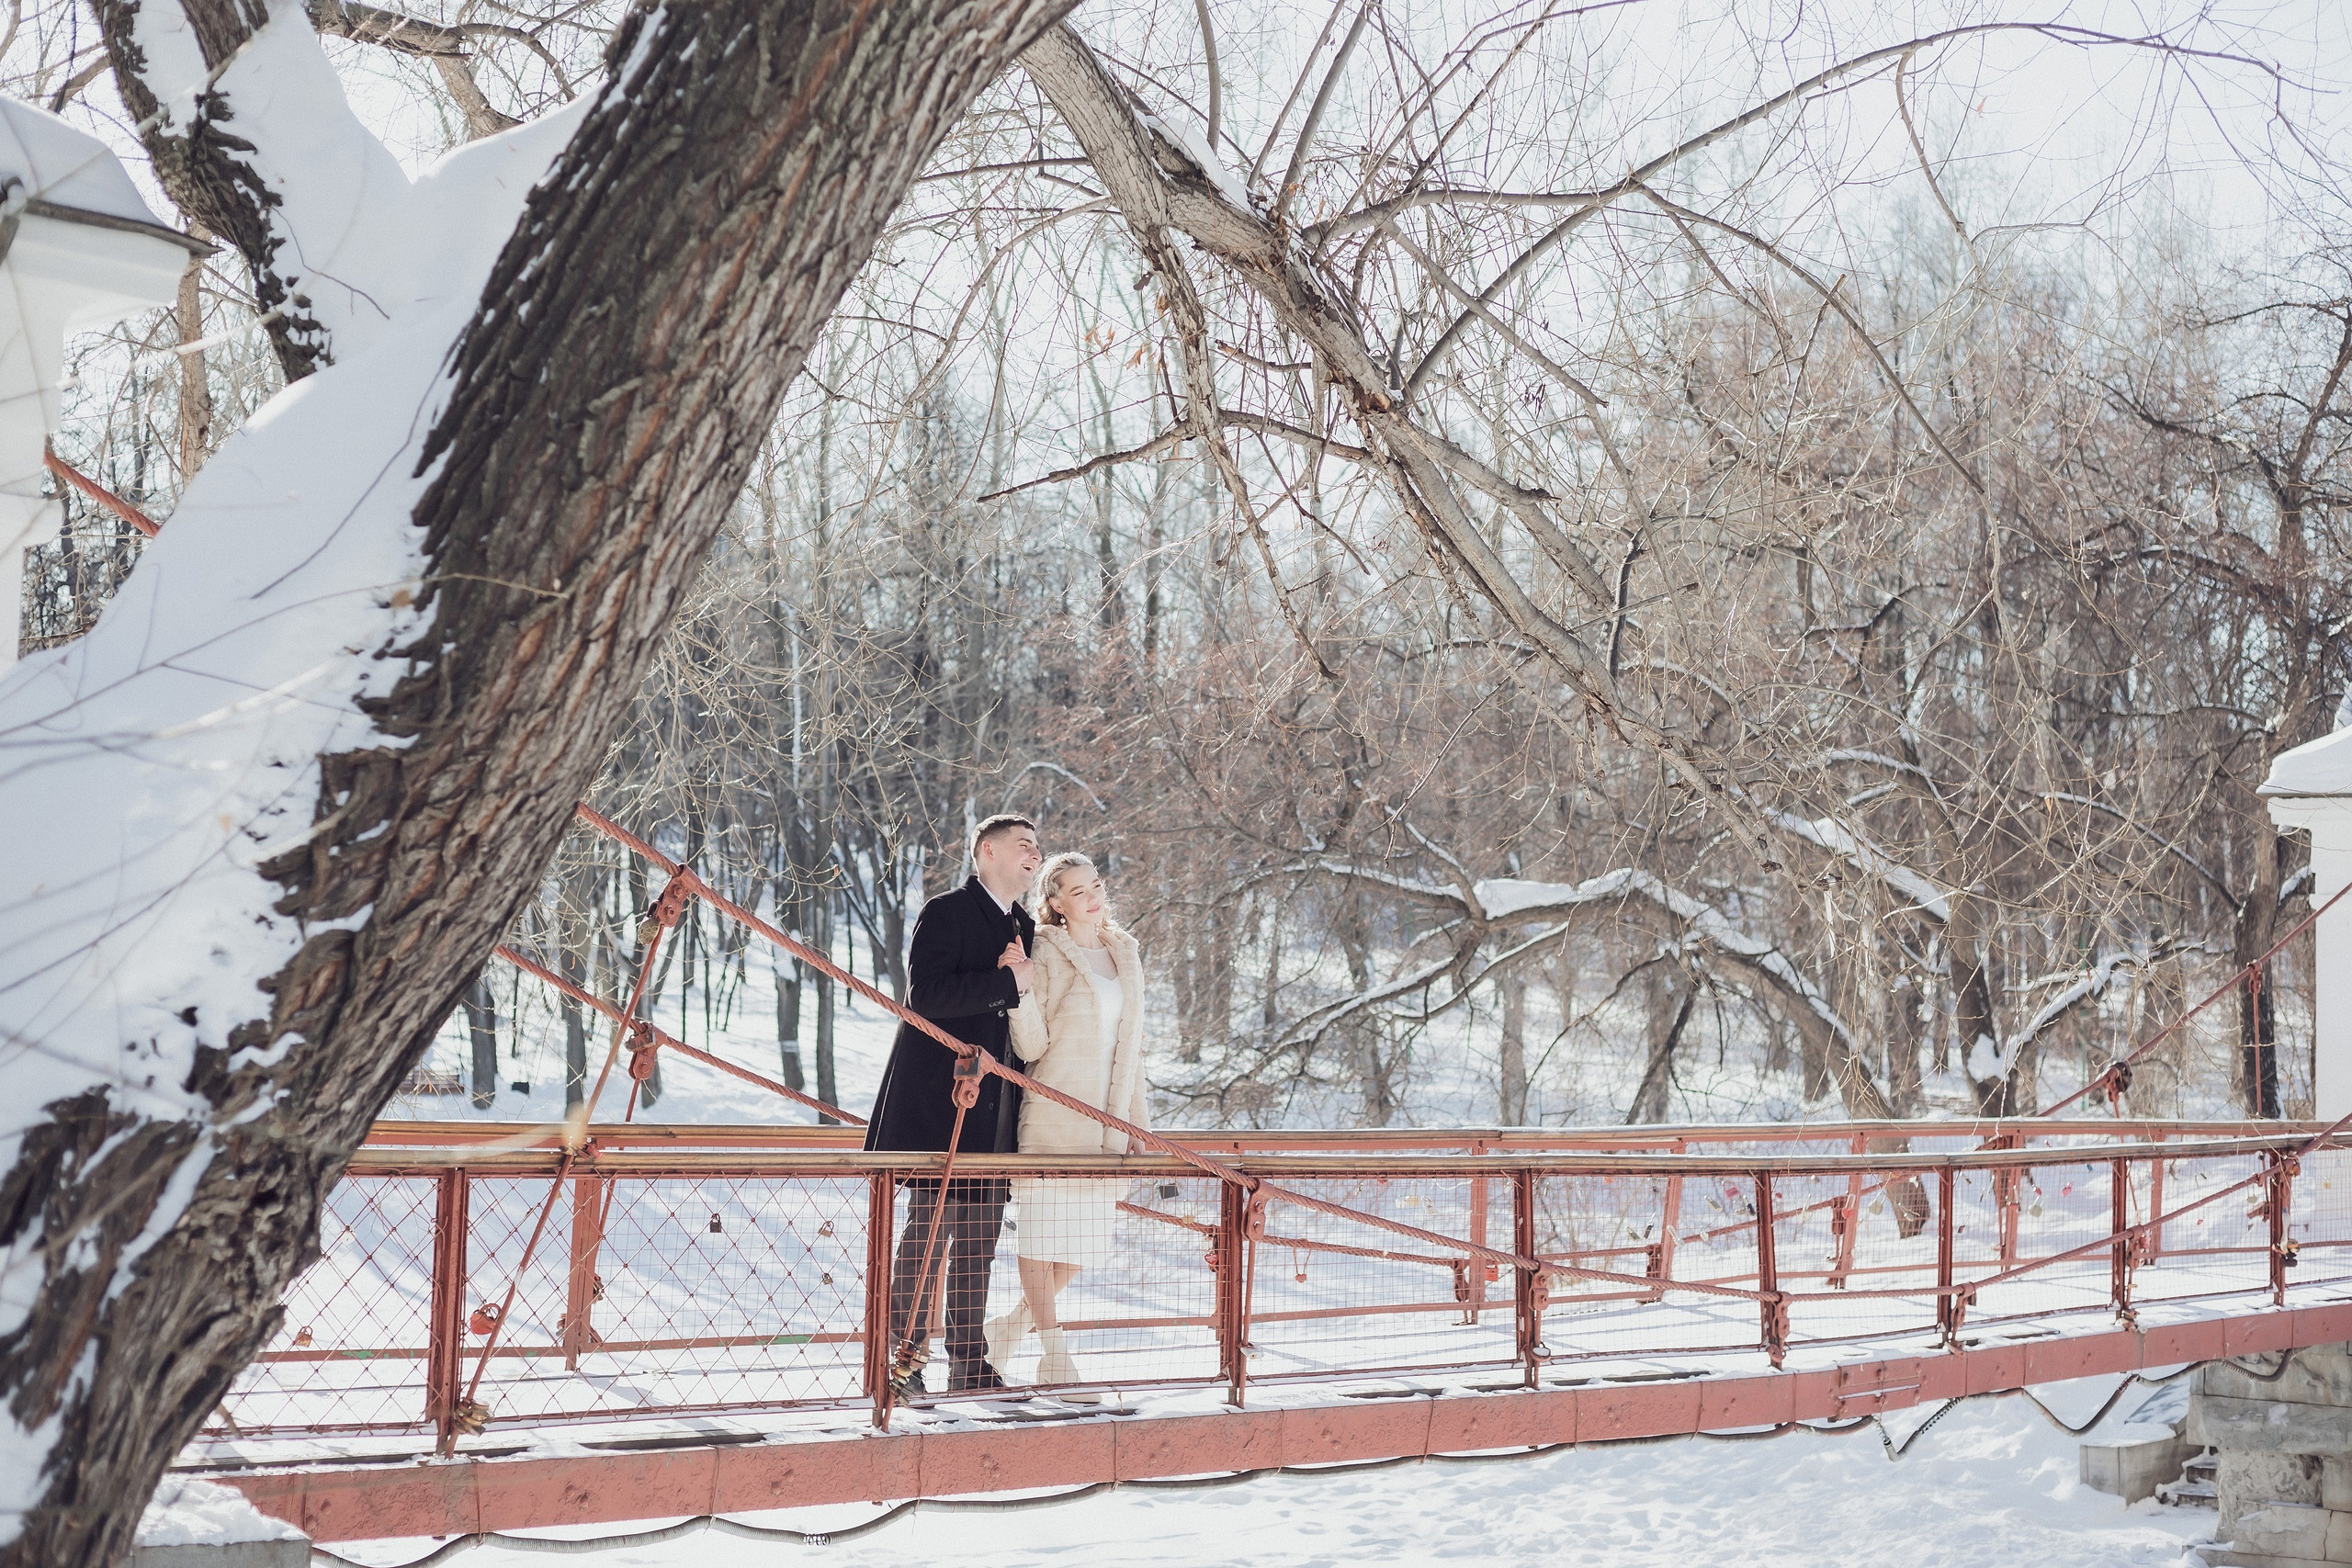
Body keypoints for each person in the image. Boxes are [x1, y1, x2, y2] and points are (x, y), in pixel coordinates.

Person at [863, 814, 1040, 1393]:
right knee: (929, 1236)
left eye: (1038, 849)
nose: (1034, 856)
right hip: (941, 1106)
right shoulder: (945, 912)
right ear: (988, 852)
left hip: (996, 1109)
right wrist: (1008, 983)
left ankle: (968, 1364)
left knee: (980, 1241)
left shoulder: (1025, 926)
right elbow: (927, 997)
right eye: (1024, 845)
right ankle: (900, 1361)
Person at [986, 852, 1148, 1396]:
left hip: (1108, 1126)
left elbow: (1134, 1052)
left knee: (1080, 1247)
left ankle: (1008, 1329)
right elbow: (1032, 1045)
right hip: (1053, 1119)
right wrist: (1019, 990)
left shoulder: (1125, 952)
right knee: (1042, 1238)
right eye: (1078, 891)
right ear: (1055, 903)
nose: (1093, 897)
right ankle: (1055, 1359)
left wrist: (1138, 1125)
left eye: (1096, 885)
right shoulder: (1046, 950)